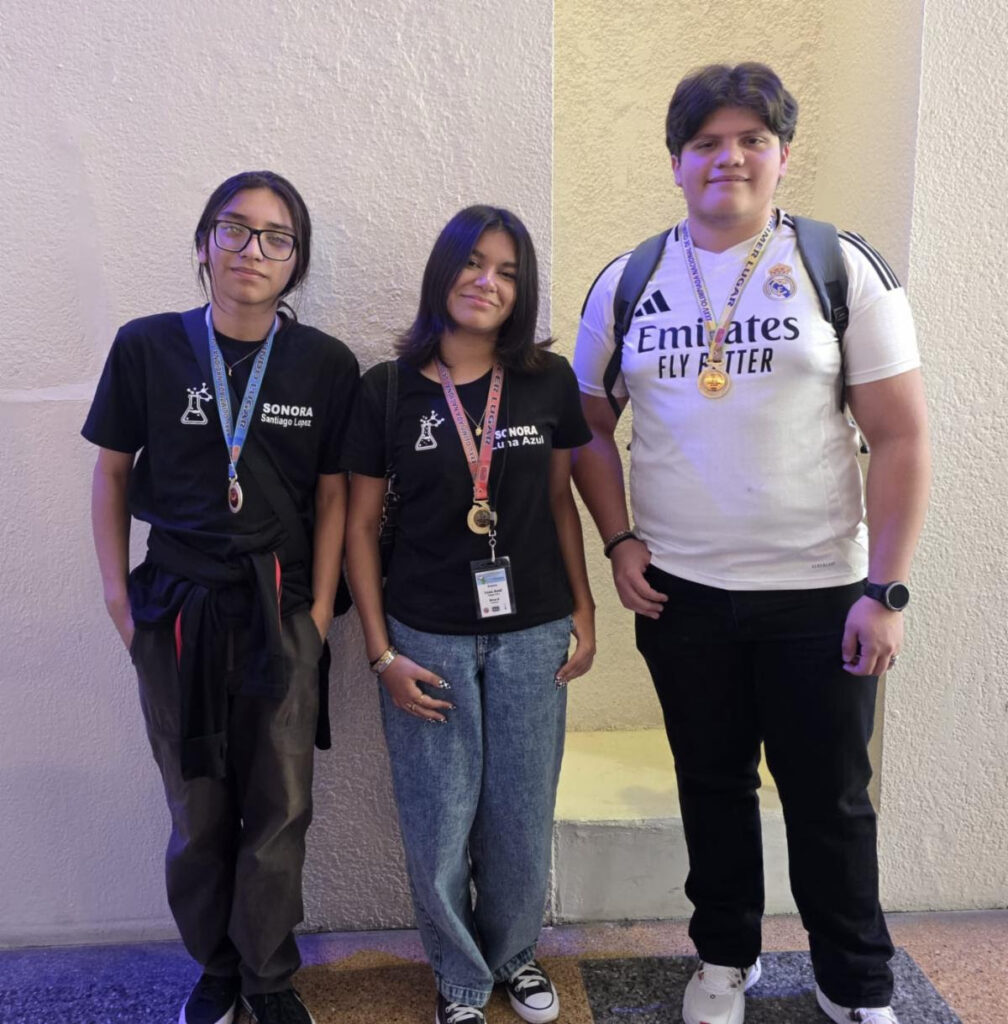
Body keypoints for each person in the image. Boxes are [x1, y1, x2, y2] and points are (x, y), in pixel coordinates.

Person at [572, 64, 930, 1024]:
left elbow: (900, 436)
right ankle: (724, 959)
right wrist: (619, 540)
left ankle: (854, 980)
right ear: (676, 162)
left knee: (831, 801)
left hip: (822, 597)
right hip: (682, 597)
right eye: (706, 143)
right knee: (711, 788)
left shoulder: (838, 266)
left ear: (782, 154)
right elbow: (588, 426)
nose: (727, 157)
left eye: (751, 140)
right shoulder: (629, 279)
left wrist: (885, 592)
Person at [83, 170, 359, 1024]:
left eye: (277, 238)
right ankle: (216, 968)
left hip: (281, 612)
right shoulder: (147, 347)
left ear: (296, 261)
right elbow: (112, 473)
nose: (253, 251)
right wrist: (118, 601)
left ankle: (268, 977)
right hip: (175, 610)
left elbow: (334, 496)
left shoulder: (324, 364)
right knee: (197, 807)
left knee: (280, 806)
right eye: (235, 229)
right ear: (206, 241)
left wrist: (319, 614)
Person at [343, 205, 595, 1024]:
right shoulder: (385, 390)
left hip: (533, 632)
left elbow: (560, 504)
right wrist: (381, 653)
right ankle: (458, 975)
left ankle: (513, 954)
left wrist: (585, 610)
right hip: (426, 637)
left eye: (508, 272)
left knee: (520, 813)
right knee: (439, 820)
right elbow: (357, 528)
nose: (488, 282)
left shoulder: (547, 380)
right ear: (442, 270)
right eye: (473, 262)